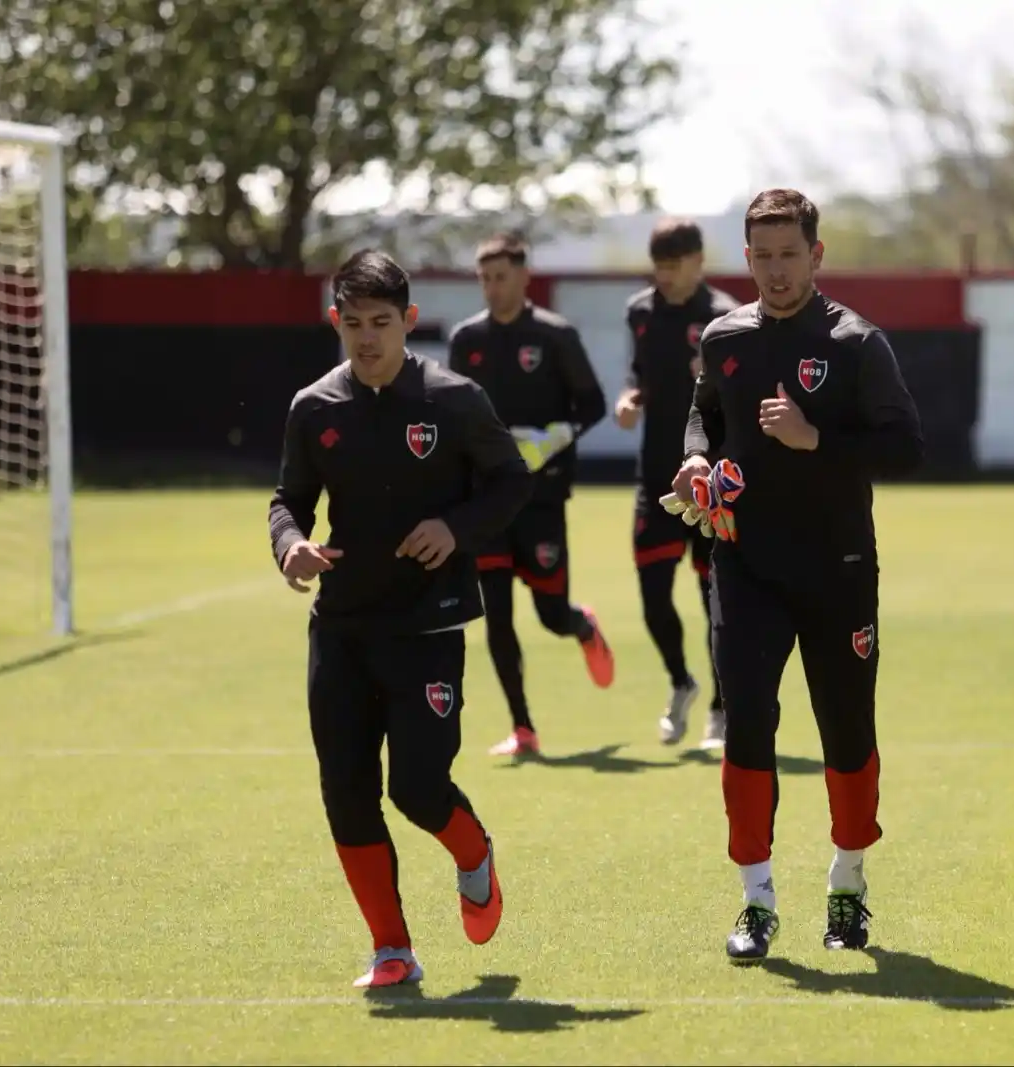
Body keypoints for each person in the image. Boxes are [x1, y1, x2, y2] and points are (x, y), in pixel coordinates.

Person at [671, 188, 924, 963]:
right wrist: (693, 459)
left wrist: (817, 438)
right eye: (762, 256)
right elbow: (704, 413)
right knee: (747, 725)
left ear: (816, 255)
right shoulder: (724, 337)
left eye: (790, 255)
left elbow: (907, 448)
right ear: (746, 259)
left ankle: (847, 880)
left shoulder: (854, 343)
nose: (776, 271)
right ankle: (755, 899)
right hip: (743, 564)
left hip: (837, 568)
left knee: (845, 732)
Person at [267, 249, 533, 988]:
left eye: (381, 322)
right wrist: (291, 545)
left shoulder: (454, 399)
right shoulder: (313, 407)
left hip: (427, 624)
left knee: (416, 787)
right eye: (352, 323)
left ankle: (472, 850)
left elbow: (510, 480)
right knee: (345, 789)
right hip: (342, 626)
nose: (366, 338)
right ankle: (392, 948)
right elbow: (288, 499)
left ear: (408, 321)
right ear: (335, 321)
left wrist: (455, 527)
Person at [448, 233, 614, 758]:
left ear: (523, 276)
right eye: (485, 278)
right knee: (496, 617)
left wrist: (552, 437)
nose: (493, 288)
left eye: (502, 277)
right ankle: (524, 729)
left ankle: (582, 625)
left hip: (541, 497)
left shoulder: (555, 336)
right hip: (486, 498)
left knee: (550, 614)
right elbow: (452, 414)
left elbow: (593, 404)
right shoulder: (465, 339)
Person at [616, 217, 740, 748]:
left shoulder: (725, 318)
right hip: (655, 476)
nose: (664, 277)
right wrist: (630, 398)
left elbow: (739, 400)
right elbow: (639, 375)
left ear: (698, 262)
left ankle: (721, 705)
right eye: (658, 268)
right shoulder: (640, 311)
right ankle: (680, 682)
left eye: (674, 266)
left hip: (709, 479)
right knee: (651, 594)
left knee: (713, 595)